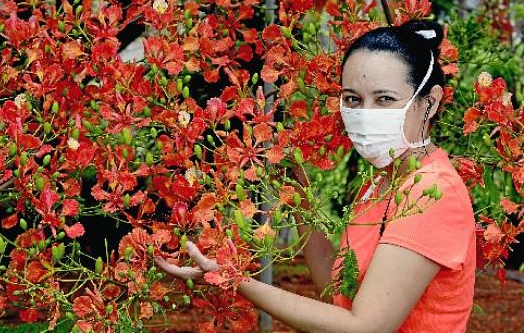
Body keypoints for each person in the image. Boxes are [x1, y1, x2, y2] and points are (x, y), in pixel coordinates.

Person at [154, 20, 477, 333]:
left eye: (384, 99)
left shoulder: (432, 192)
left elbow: (365, 326)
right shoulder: (381, 182)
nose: (365, 114)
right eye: (353, 99)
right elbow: (337, 287)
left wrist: (231, 277)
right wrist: (297, 193)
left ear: (431, 102)